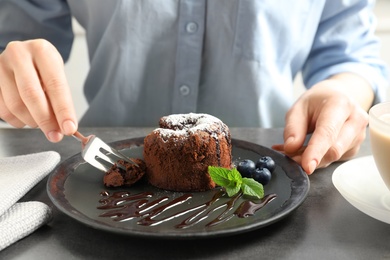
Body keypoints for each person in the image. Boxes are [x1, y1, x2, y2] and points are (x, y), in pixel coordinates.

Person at [0, 0, 388, 175]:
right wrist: (11, 69)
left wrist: (345, 91)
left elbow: (352, 55)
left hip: (273, 168)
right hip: (96, 187)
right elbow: (17, 38)